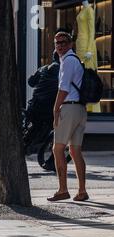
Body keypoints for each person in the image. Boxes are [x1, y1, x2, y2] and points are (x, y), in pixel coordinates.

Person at [48, 31, 89, 202]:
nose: (60, 46)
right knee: (75, 150)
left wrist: (56, 109)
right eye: (57, 43)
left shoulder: (67, 61)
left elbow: (63, 88)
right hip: (80, 109)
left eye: (64, 42)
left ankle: (63, 189)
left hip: (69, 108)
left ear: (71, 44)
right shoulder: (76, 61)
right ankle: (81, 191)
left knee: (58, 149)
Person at [76, 0, 100, 113]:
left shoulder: (89, 10)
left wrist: (90, 49)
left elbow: (92, 32)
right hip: (80, 45)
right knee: (80, 75)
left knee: (88, 75)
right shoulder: (83, 9)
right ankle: (82, 104)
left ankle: (92, 107)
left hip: (86, 45)